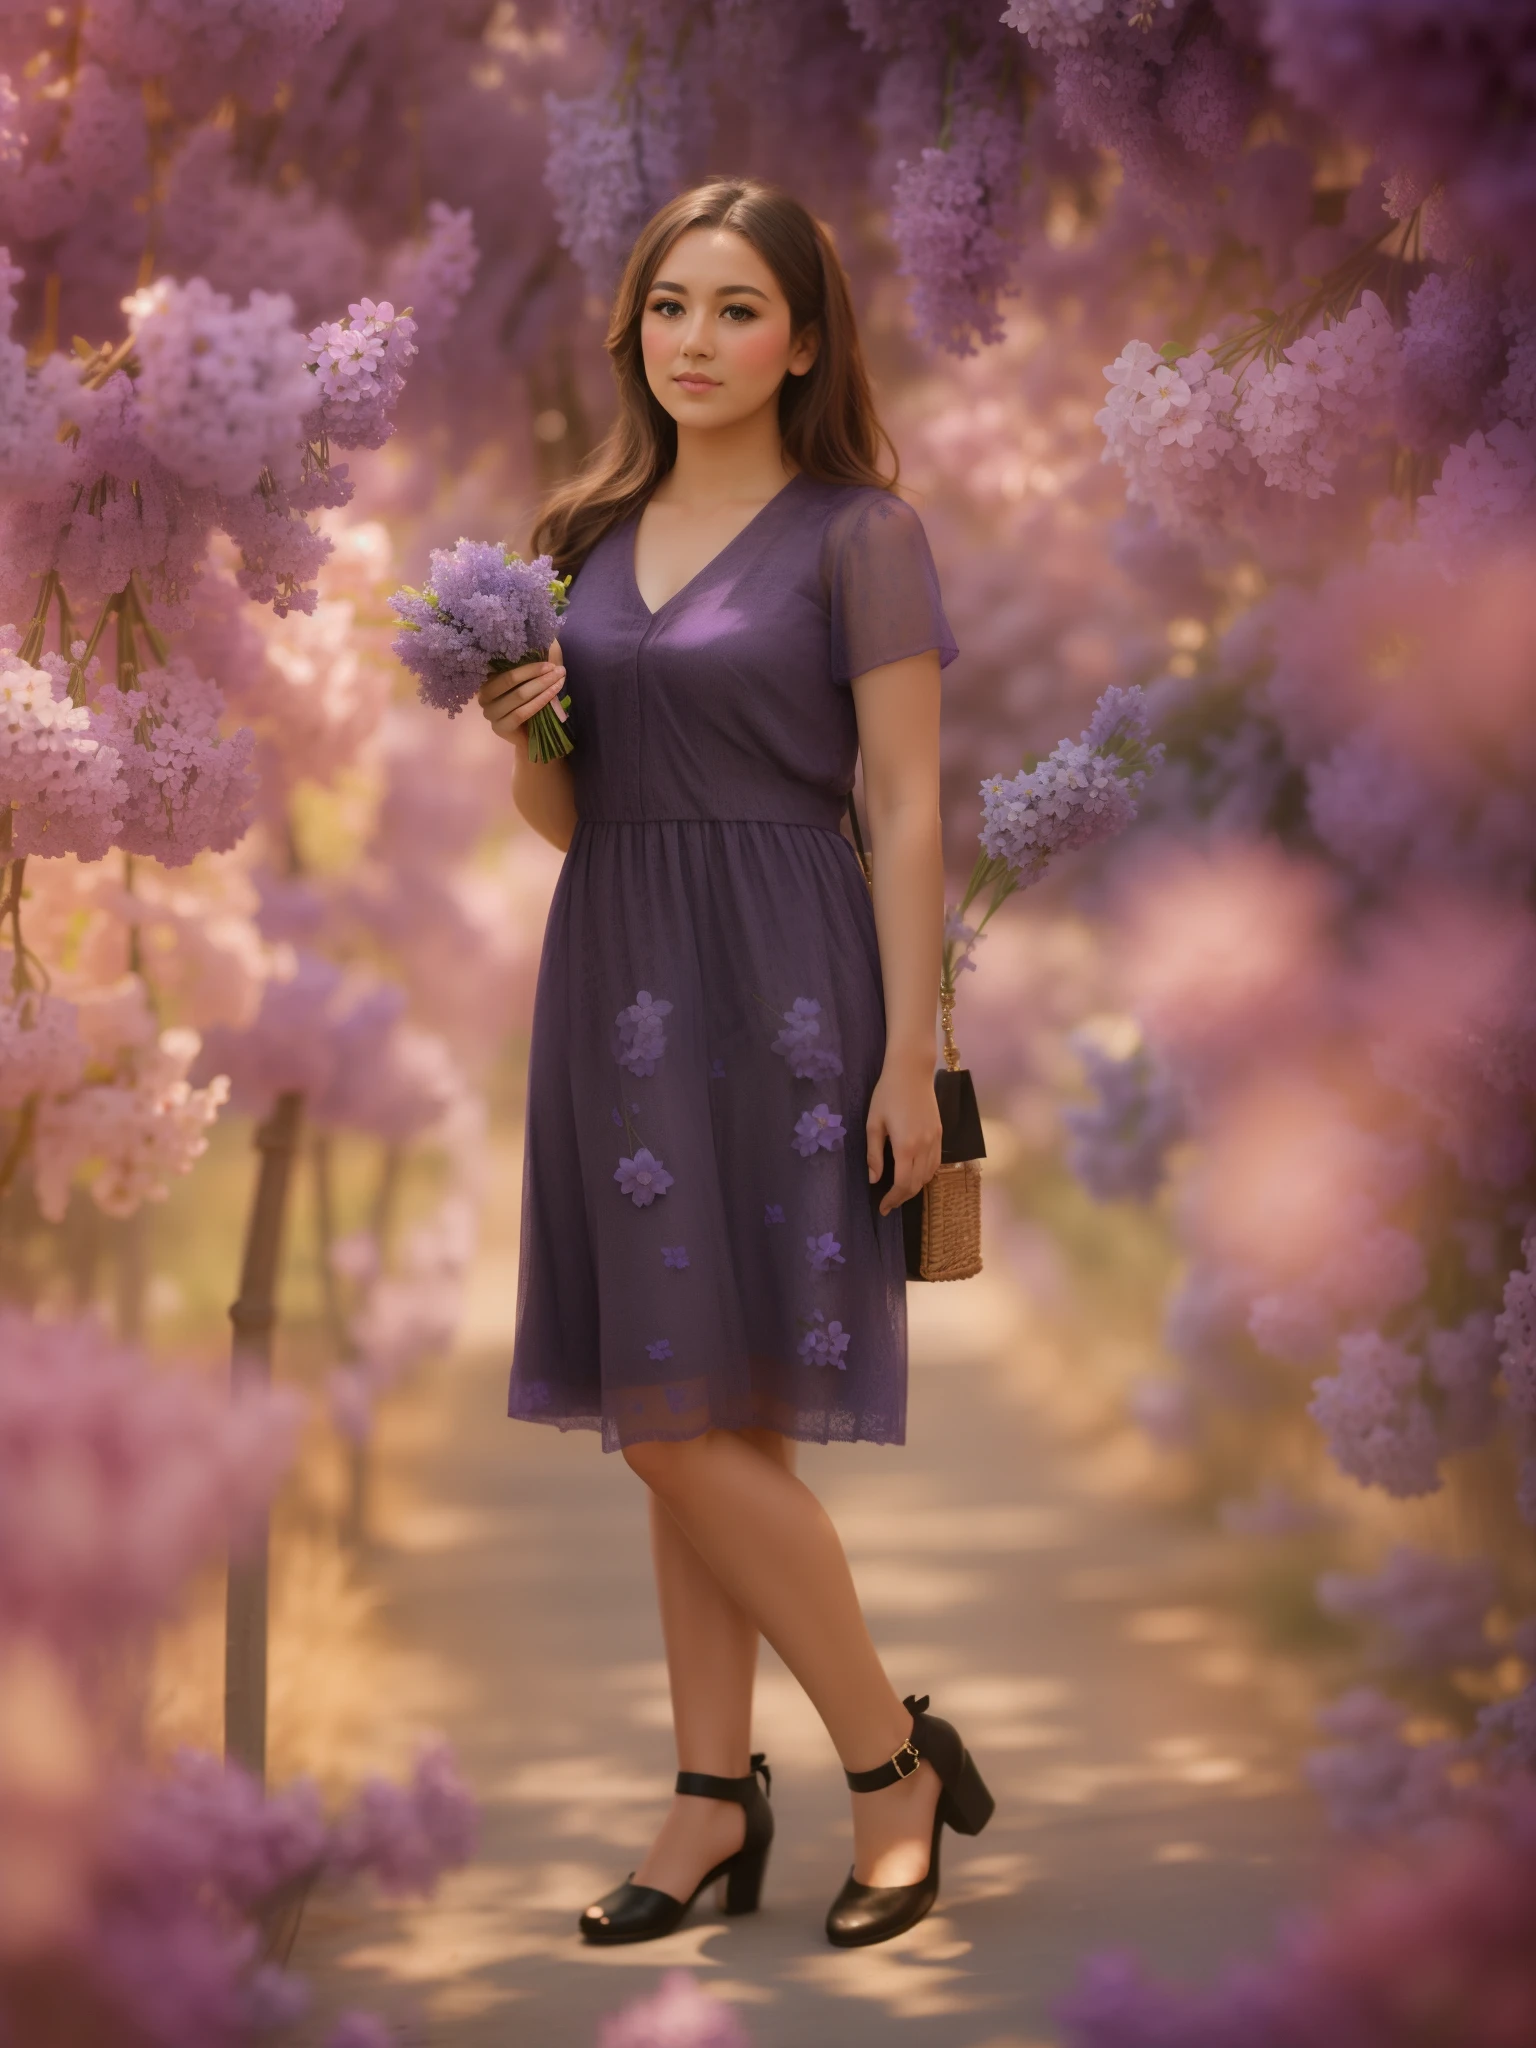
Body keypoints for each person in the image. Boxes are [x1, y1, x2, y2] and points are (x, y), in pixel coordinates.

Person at [477, 177, 992, 1950]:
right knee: (678, 1404)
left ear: (803, 339)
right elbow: (567, 816)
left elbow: (911, 796)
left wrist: (910, 1052)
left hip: (790, 975)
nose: (696, 341)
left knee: (704, 1420)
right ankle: (717, 1797)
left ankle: (877, 1764)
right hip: (618, 963)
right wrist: (522, 730)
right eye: (670, 306)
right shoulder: (578, 532)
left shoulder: (862, 534)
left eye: (738, 309)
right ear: (635, 329)